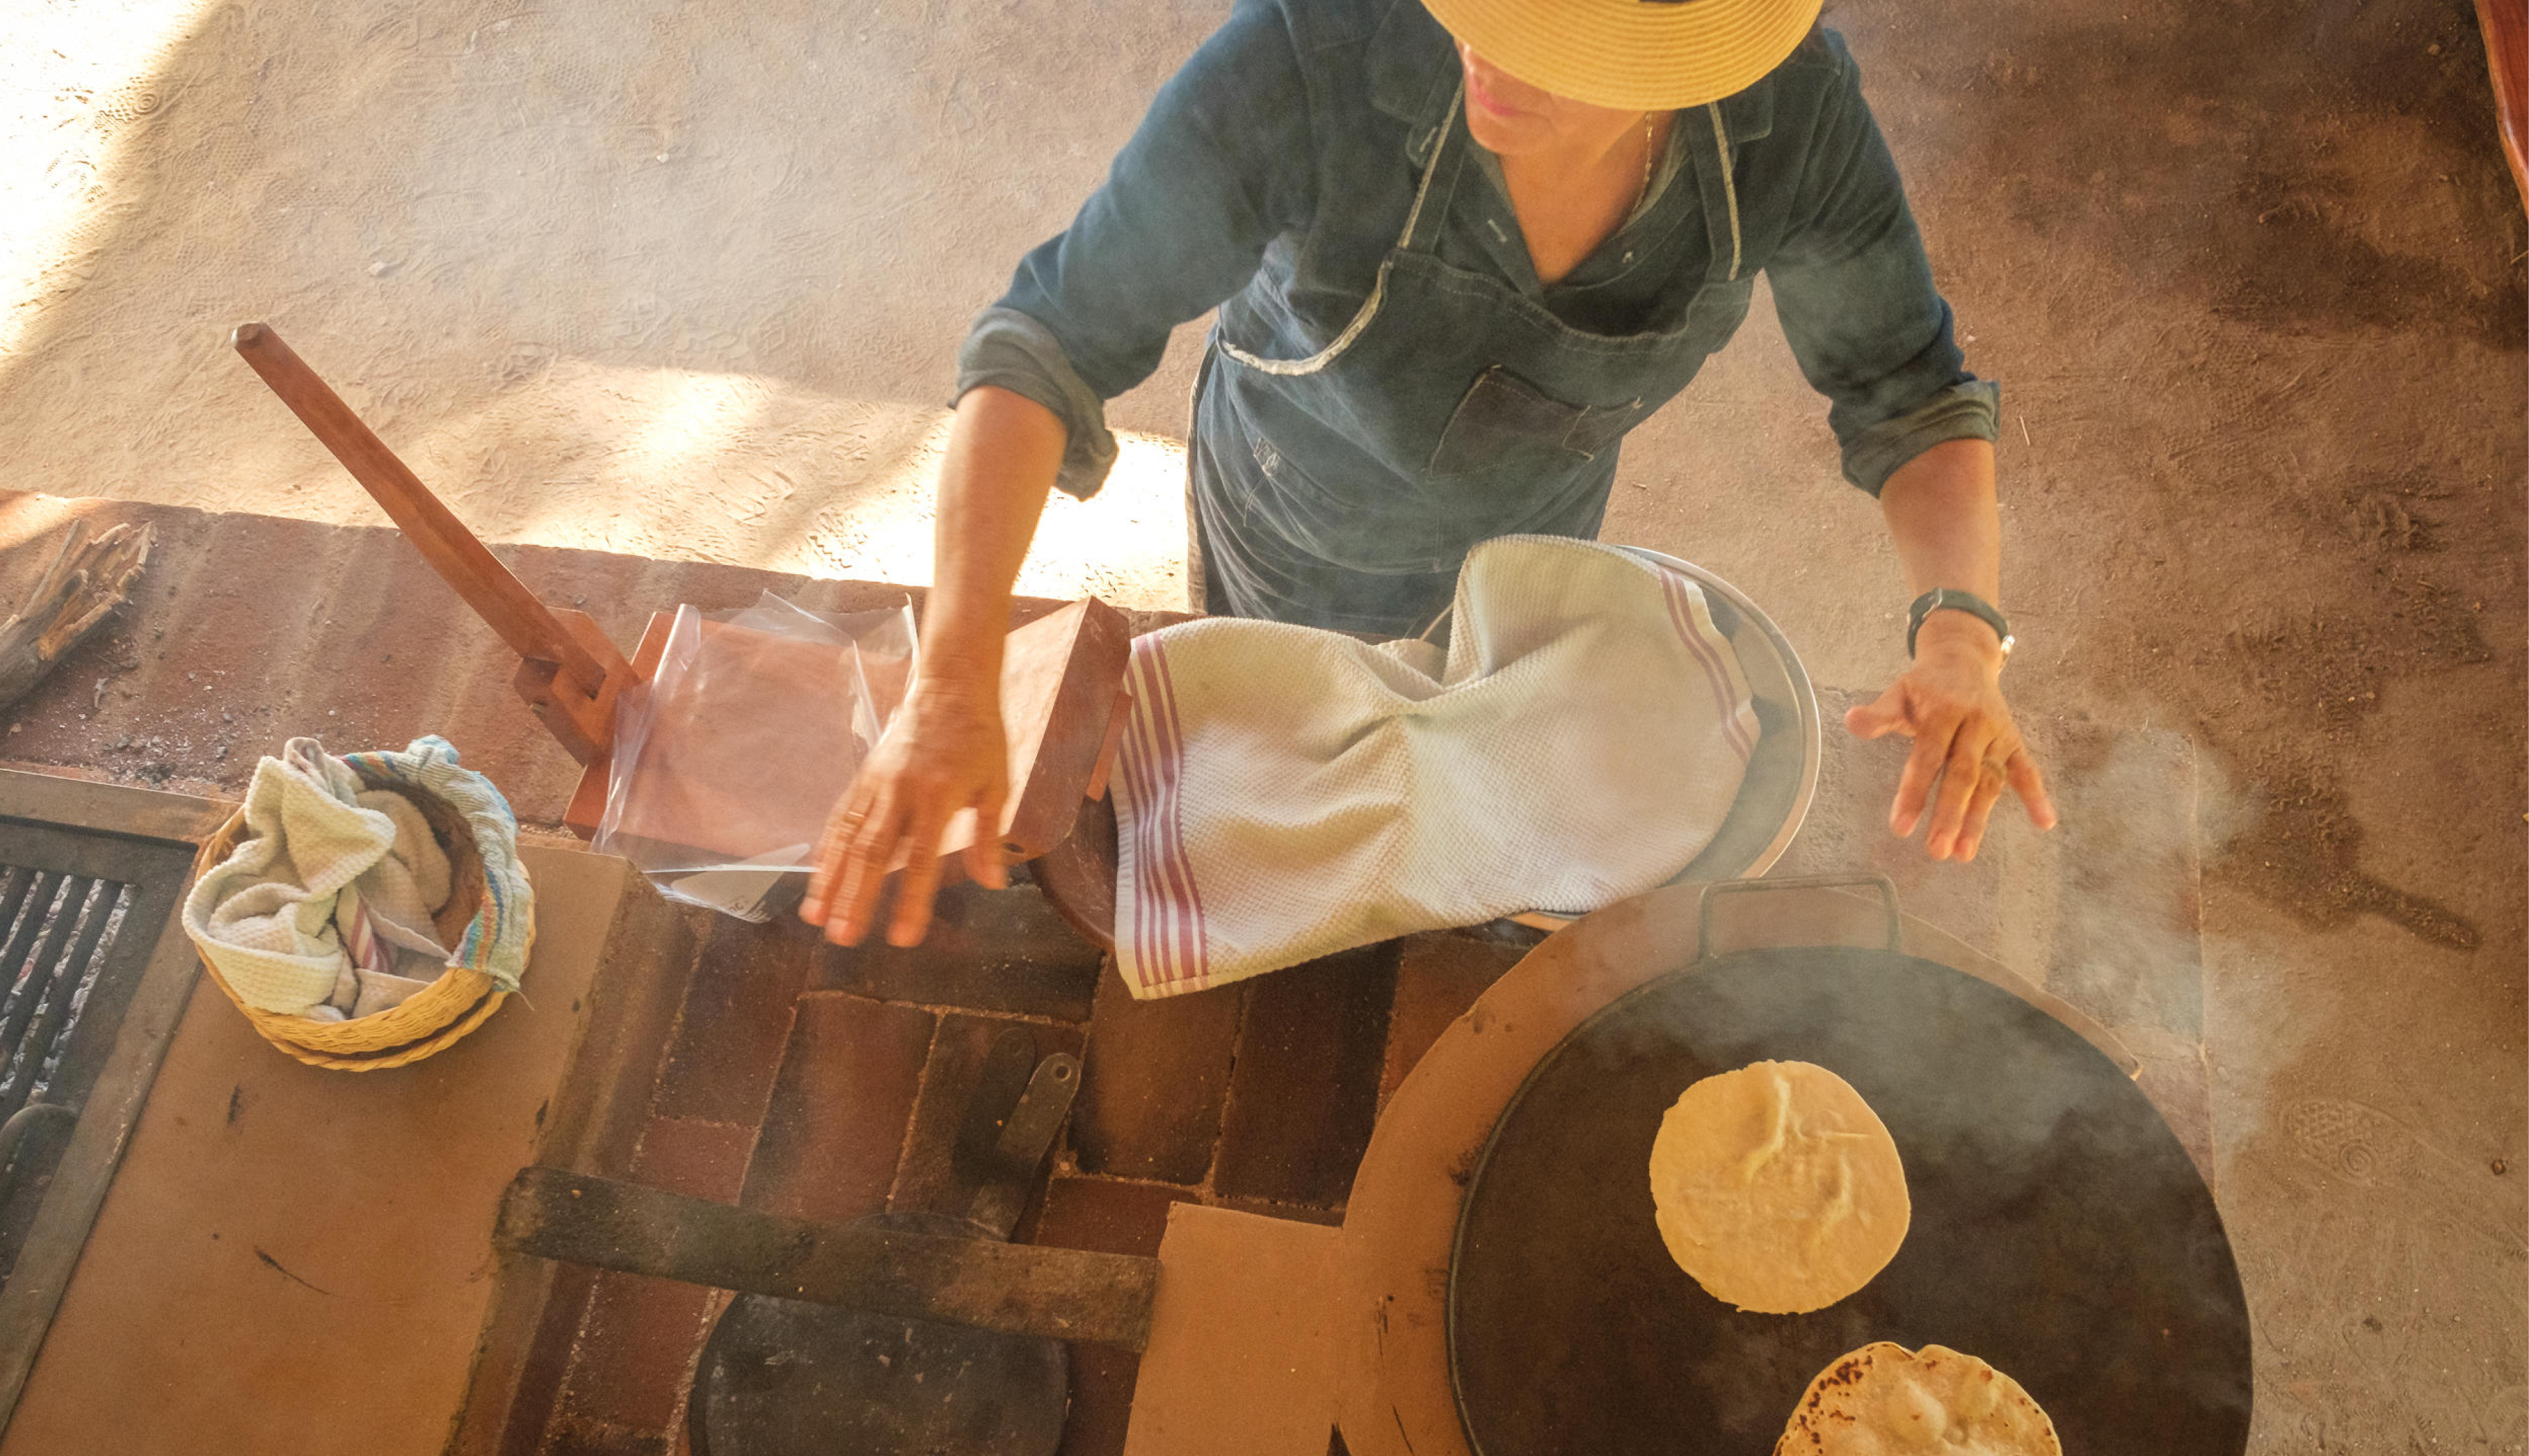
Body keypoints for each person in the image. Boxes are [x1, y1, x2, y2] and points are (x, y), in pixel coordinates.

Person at [803, 0, 2058, 949]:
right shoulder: (1314, 55)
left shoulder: (1785, 121)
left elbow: (1907, 389)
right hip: (1291, 514)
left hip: (1537, 536)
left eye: (1561, 40)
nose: (1493, 51)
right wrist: (955, 670)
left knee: (1476, 777)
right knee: (1284, 793)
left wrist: (1960, 628)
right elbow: (1045, 344)